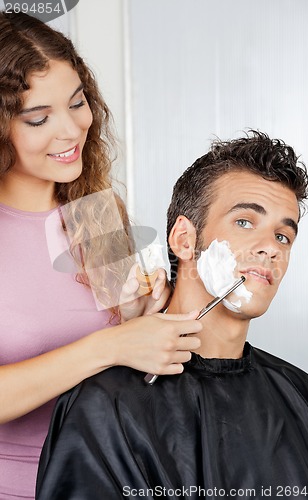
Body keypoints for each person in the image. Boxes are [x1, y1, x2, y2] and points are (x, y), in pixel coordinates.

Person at [36, 131, 308, 499]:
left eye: (283, 237)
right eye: (244, 222)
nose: (271, 248)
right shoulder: (107, 405)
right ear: (184, 239)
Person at [0, 11, 203, 499]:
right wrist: (110, 346)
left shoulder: (98, 212)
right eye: (39, 118)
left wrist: (143, 312)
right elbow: (108, 348)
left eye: (77, 103)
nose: (72, 130)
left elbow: (129, 344)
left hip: (106, 480)